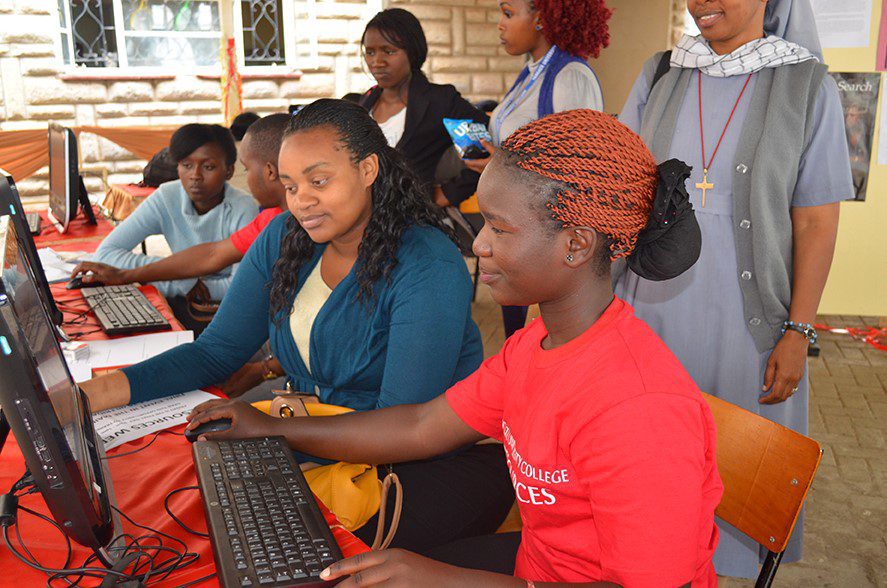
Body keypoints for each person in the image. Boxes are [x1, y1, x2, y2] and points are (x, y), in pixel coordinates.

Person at [185, 109, 723, 587]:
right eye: (481, 221)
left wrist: (440, 579)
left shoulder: (638, 408)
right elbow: (421, 424)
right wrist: (272, 426)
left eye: (499, 229)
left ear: (576, 243)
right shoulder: (533, 346)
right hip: (542, 566)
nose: (479, 243)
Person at [80, 99, 514, 553]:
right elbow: (216, 351)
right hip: (324, 432)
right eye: (289, 185)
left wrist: (272, 432)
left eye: (318, 181)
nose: (301, 201)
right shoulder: (288, 237)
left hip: (426, 464)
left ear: (368, 170)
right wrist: (88, 397)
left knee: (259, 544)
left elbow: (402, 424)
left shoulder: (425, 264)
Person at [614, 0, 853, 579]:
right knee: (643, 476)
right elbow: (620, 186)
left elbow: (816, 222)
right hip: (649, 316)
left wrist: (798, 330)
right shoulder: (662, 72)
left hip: (751, 325)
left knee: (740, 480)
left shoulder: (805, 83)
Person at [462, 0, 612, 339]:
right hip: (516, 222)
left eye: (508, 13)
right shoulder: (531, 72)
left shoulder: (570, 75)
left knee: (551, 336)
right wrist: (497, 159)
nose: (500, 25)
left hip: (546, 231)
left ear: (543, 16)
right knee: (519, 335)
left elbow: (582, 166)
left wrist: (507, 168)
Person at [89, 123, 258, 303]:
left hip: (221, 309)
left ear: (229, 171)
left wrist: (162, 277)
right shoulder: (167, 196)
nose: (195, 175)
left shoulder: (244, 209)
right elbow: (105, 255)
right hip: (184, 300)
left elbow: (239, 288)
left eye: (208, 167)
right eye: (186, 165)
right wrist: (182, 278)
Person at [359, 8, 488, 208]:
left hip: (414, 223)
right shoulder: (363, 104)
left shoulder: (441, 101)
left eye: (389, 51)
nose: (377, 62)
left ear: (413, 52)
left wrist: (449, 193)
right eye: (370, 52)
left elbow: (484, 148)